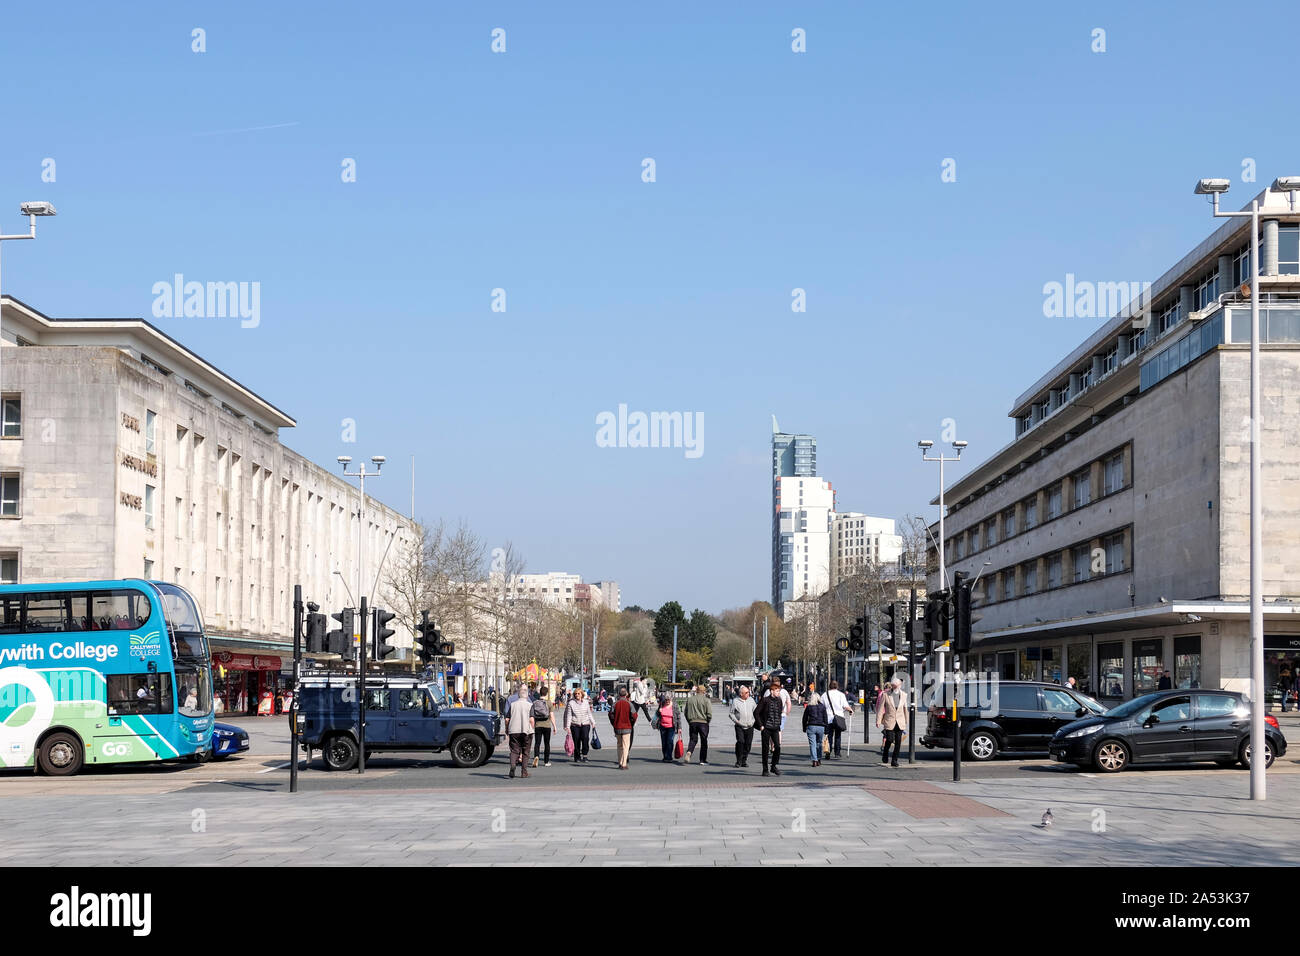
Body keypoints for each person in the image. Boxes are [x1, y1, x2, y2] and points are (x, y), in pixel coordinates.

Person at [755, 679, 785, 776]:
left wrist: (779, 724)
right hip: (766, 727)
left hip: (775, 727)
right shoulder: (765, 700)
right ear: (772, 691)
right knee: (765, 749)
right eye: (777, 691)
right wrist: (761, 725)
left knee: (778, 747)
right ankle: (765, 769)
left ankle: (773, 766)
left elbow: (779, 713)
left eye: (779, 691)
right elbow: (756, 713)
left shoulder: (779, 701)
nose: (778, 693)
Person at [876, 677, 907, 768]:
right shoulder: (886, 694)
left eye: (895, 685)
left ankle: (894, 760)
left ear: (899, 685)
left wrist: (906, 720)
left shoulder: (904, 695)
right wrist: (878, 721)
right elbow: (881, 708)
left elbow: (905, 708)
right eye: (893, 685)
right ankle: (885, 753)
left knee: (898, 742)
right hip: (889, 720)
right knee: (889, 739)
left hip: (900, 721)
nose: (893, 687)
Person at [504, 686, 534, 779]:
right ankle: (524, 772)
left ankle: (513, 765)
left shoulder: (513, 704)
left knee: (514, 750)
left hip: (514, 730)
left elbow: (506, 719)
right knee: (525, 752)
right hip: (526, 731)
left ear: (518, 695)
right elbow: (532, 719)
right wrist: (532, 729)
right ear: (526, 695)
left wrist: (507, 728)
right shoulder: (530, 705)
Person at [564, 687, 597, 763]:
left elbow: (589, 713)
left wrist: (593, 722)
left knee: (585, 739)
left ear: (582, 694)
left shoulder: (585, 702)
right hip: (575, 724)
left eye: (578, 693)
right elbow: (569, 715)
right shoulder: (571, 703)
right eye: (575, 694)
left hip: (585, 723)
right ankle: (577, 756)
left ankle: (585, 755)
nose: (577, 695)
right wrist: (568, 726)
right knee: (576, 741)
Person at [823, 680, 854, 759]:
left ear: (829, 686)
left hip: (828, 717)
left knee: (828, 735)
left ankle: (828, 751)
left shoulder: (824, 695)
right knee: (838, 735)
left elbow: (821, 706)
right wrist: (850, 710)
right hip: (839, 717)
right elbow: (845, 706)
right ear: (837, 686)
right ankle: (837, 752)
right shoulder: (841, 695)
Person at [729, 684, 757, 768]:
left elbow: (756, 712)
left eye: (748, 692)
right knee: (741, 742)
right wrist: (736, 721)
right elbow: (731, 713)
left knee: (748, 744)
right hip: (739, 726)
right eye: (746, 692)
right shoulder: (736, 701)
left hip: (750, 725)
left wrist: (754, 721)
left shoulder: (751, 700)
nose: (748, 694)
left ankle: (744, 760)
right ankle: (739, 760)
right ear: (741, 694)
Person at [683, 683, 712, 765]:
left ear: (696, 691)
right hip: (703, 722)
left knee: (693, 739)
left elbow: (686, 712)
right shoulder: (706, 700)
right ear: (704, 691)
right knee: (704, 741)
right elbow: (709, 713)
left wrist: (689, 721)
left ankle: (689, 752)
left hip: (692, 722)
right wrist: (708, 721)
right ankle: (702, 760)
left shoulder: (690, 699)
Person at [609, 686, 637, 769]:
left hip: (617, 727)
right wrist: (631, 723)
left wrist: (614, 723)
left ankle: (620, 762)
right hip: (627, 727)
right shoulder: (629, 704)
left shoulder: (615, 704)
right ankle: (624, 763)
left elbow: (610, 714)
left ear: (619, 694)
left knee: (619, 745)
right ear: (626, 694)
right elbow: (634, 715)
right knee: (626, 746)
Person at [803, 691, 828, 767]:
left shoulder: (809, 707)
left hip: (811, 726)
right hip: (821, 726)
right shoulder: (822, 706)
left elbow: (804, 718)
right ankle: (819, 759)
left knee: (812, 744)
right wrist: (826, 729)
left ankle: (814, 760)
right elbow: (825, 718)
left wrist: (804, 727)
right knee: (819, 743)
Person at [654, 692, 680, 762]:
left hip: (672, 726)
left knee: (670, 741)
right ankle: (665, 756)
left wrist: (679, 728)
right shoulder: (662, 704)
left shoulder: (674, 705)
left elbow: (678, 717)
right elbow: (657, 714)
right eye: (666, 700)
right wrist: (659, 711)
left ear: (671, 699)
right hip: (662, 726)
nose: (667, 701)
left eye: (668, 700)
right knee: (664, 742)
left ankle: (669, 756)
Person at [531, 684, 554, 768]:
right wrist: (554, 726)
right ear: (546, 693)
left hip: (538, 725)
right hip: (547, 725)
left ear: (539, 693)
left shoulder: (535, 703)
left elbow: (532, 716)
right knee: (546, 743)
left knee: (537, 743)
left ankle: (536, 756)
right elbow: (551, 716)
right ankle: (546, 761)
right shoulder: (549, 703)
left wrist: (532, 726)